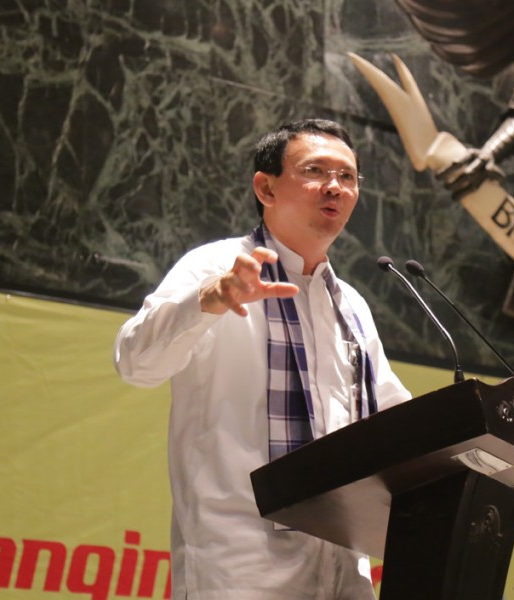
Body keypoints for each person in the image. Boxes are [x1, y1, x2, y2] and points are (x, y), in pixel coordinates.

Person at [114, 118, 412, 599]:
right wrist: (209, 300)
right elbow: (134, 361)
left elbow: (393, 416)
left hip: (343, 567)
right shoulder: (215, 267)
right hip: (241, 567)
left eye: (348, 176)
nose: (334, 187)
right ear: (266, 188)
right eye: (315, 171)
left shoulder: (351, 305)